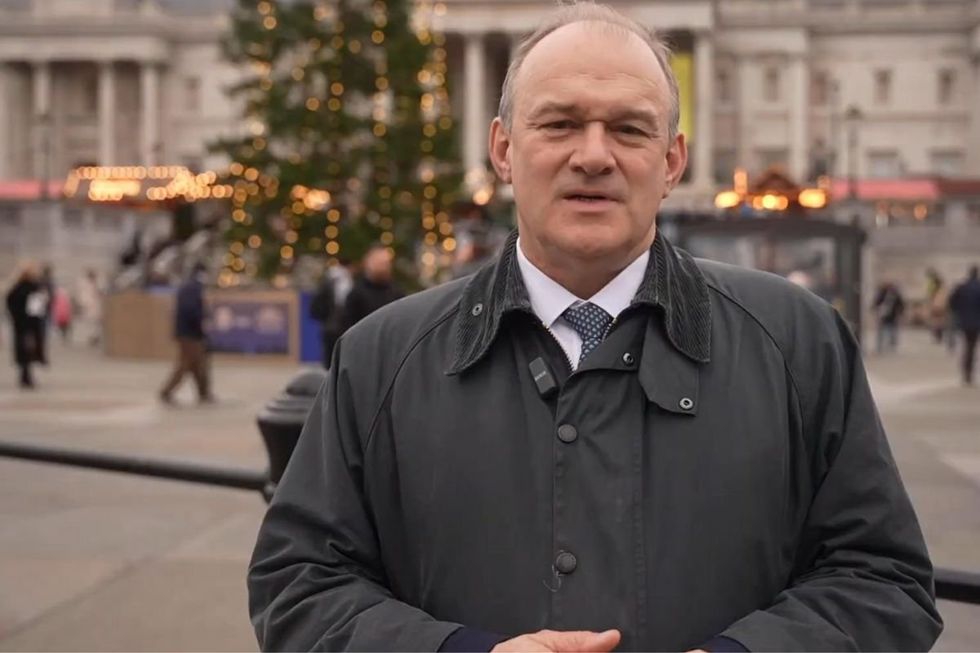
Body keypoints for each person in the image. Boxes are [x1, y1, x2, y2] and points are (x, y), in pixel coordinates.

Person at [248, 5, 941, 652]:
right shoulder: (381, 356)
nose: (593, 155)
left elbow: (885, 579)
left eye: (629, 128)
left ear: (672, 161)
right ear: (503, 150)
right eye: (560, 124)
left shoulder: (798, 341)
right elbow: (299, 583)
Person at [159, 263, 213, 404]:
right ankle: (166, 391)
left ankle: (204, 393)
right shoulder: (193, 288)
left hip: (188, 332)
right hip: (190, 333)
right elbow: (192, 310)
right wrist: (201, 323)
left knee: (198, 363)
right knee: (187, 363)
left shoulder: (189, 287)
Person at [340, 244, 404, 332]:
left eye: (386, 263)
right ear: (368, 263)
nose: (383, 268)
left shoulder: (397, 293)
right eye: (379, 263)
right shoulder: (356, 294)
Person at [5, 262, 44, 388]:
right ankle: (26, 377)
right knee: (28, 350)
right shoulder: (34, 288)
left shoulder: (16, 288)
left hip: (20, 325)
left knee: (23, 351)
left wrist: (15, 317)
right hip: (30, 326)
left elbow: (9, 303)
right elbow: (36, 309)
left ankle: (25, 376)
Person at [309, 258, 353, 368]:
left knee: (330, 360)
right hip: (337, 325)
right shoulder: (342, 280)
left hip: (330, 325)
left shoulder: (328, 279)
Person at [949, 265, 980, 386]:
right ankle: (969, 372)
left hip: (964, 321)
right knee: (972, 347)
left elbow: (952, 302)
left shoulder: (961, 287)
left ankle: (966, 371)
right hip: (977, 322)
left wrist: (959, 312)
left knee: (967, 346)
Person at [873, 280, 905, 354]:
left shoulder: (896, 294)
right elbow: (876, 302)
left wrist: (900, 313)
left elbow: (901, 304)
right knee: (882, 331)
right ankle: (880, 347)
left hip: (892, 316)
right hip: (883, 315)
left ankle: (891, 345)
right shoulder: (882, 293)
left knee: (892, 331)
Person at [75, 269, 103, 347]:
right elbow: (82, 296)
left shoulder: (96, 283)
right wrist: (83, 305)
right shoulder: (84, 284)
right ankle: (92, 338)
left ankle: (94, 338)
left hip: (95, 306)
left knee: (96, 324)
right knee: (90, 324)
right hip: (89, 306)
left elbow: (99, 294)